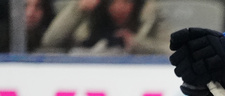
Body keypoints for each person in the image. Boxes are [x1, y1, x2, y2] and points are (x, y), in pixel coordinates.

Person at [39, 0, 169, 55]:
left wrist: (137, 44)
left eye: (126, 1)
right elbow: (50, 41)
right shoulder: (86, 14)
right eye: (112, 1)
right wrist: (78, 10)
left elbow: (172, 50)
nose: (119, 7)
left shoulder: (149, 15)